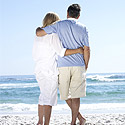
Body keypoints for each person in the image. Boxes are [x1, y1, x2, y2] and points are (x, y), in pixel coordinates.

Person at [36, 4, 90, 125]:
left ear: (67, 13)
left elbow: (39, 33)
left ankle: (77, 119)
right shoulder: (82, 28)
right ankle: (73, 121)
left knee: (62, 95)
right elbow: (85, 49)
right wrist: (85, 63)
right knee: (74, 96)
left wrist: (37, 29)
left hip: (56, 67)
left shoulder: (56, 27)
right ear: (79, 15)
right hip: (70, 66)